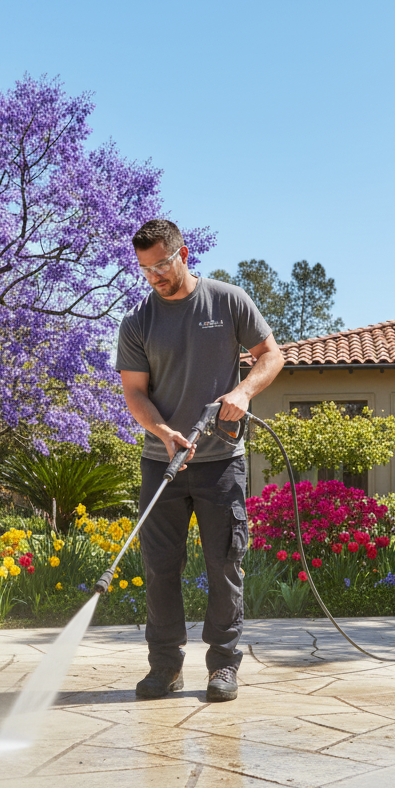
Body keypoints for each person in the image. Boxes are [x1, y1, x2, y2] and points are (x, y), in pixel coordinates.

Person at [116, 219, 284, 702]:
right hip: (162, 462)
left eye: (162, 265)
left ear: (183, 253)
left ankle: (223, 666)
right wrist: (164, 431)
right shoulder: (138, 322)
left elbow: (271, 355)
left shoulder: (228, 300)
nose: (155, 276)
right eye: (145, 269)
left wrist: (244, 390)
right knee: (160, 566)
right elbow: (134, 393)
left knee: (224, 563)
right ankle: (165, 667)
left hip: (221, 461)